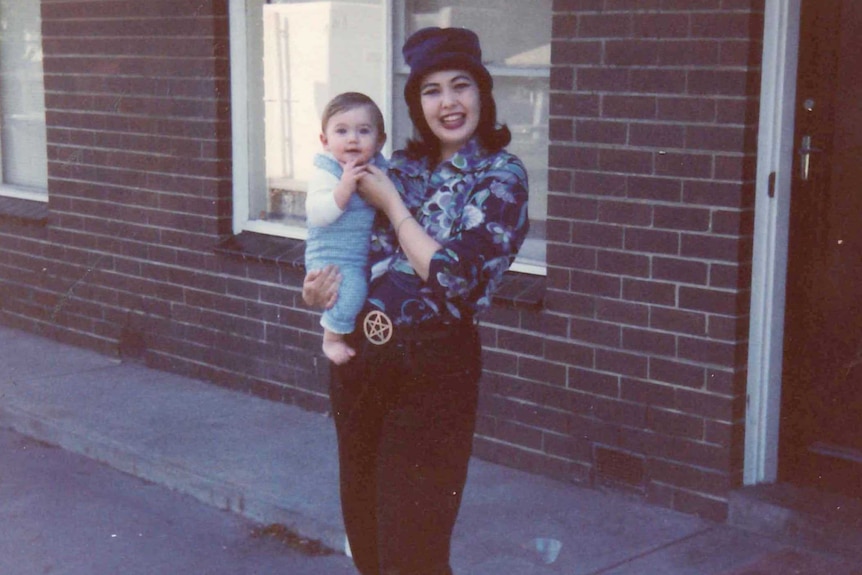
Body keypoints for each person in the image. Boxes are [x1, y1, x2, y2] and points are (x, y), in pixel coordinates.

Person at [304, 27, 529, 575]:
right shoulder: (398, 167)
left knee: (414, 546)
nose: (448, 103)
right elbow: (341, 240)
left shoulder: (500, 176)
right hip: (362, 359)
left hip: (433, 372)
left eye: (461, 86)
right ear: (416, 103)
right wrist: (316, 289)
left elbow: (456, 277)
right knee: (368, 534)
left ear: (482, 93)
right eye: (431, 90)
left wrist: (395, 208)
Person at [304, 92, 388, 365]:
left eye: (363, 131)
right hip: (332, 257)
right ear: (325, 141)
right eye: (342, 131)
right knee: (352, 290)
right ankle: (332, 337)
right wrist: (344, 188)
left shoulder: (378, 167)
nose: (352, 139)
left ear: (380, 141)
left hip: (360, 254)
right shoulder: (326, 171)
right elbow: (318, 214)